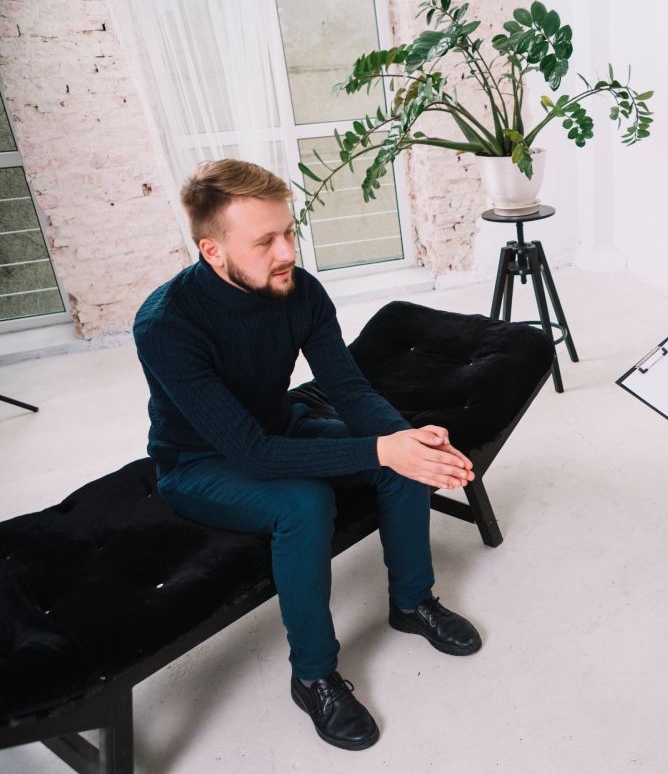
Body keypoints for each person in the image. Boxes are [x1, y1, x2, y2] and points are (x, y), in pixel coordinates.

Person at [134, 159, 482, 751]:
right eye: (265, 241)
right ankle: (314, 673)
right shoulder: (166, 324)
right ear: (212, 251)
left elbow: (348, 388)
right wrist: (384, 444)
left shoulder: (299, 290)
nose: (287, 251)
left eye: (289, 232)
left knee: (396, 458)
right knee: (303, 502)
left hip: (278, 426)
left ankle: (412, 601)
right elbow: (251, 453)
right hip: (198, 462)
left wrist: (409, 442)